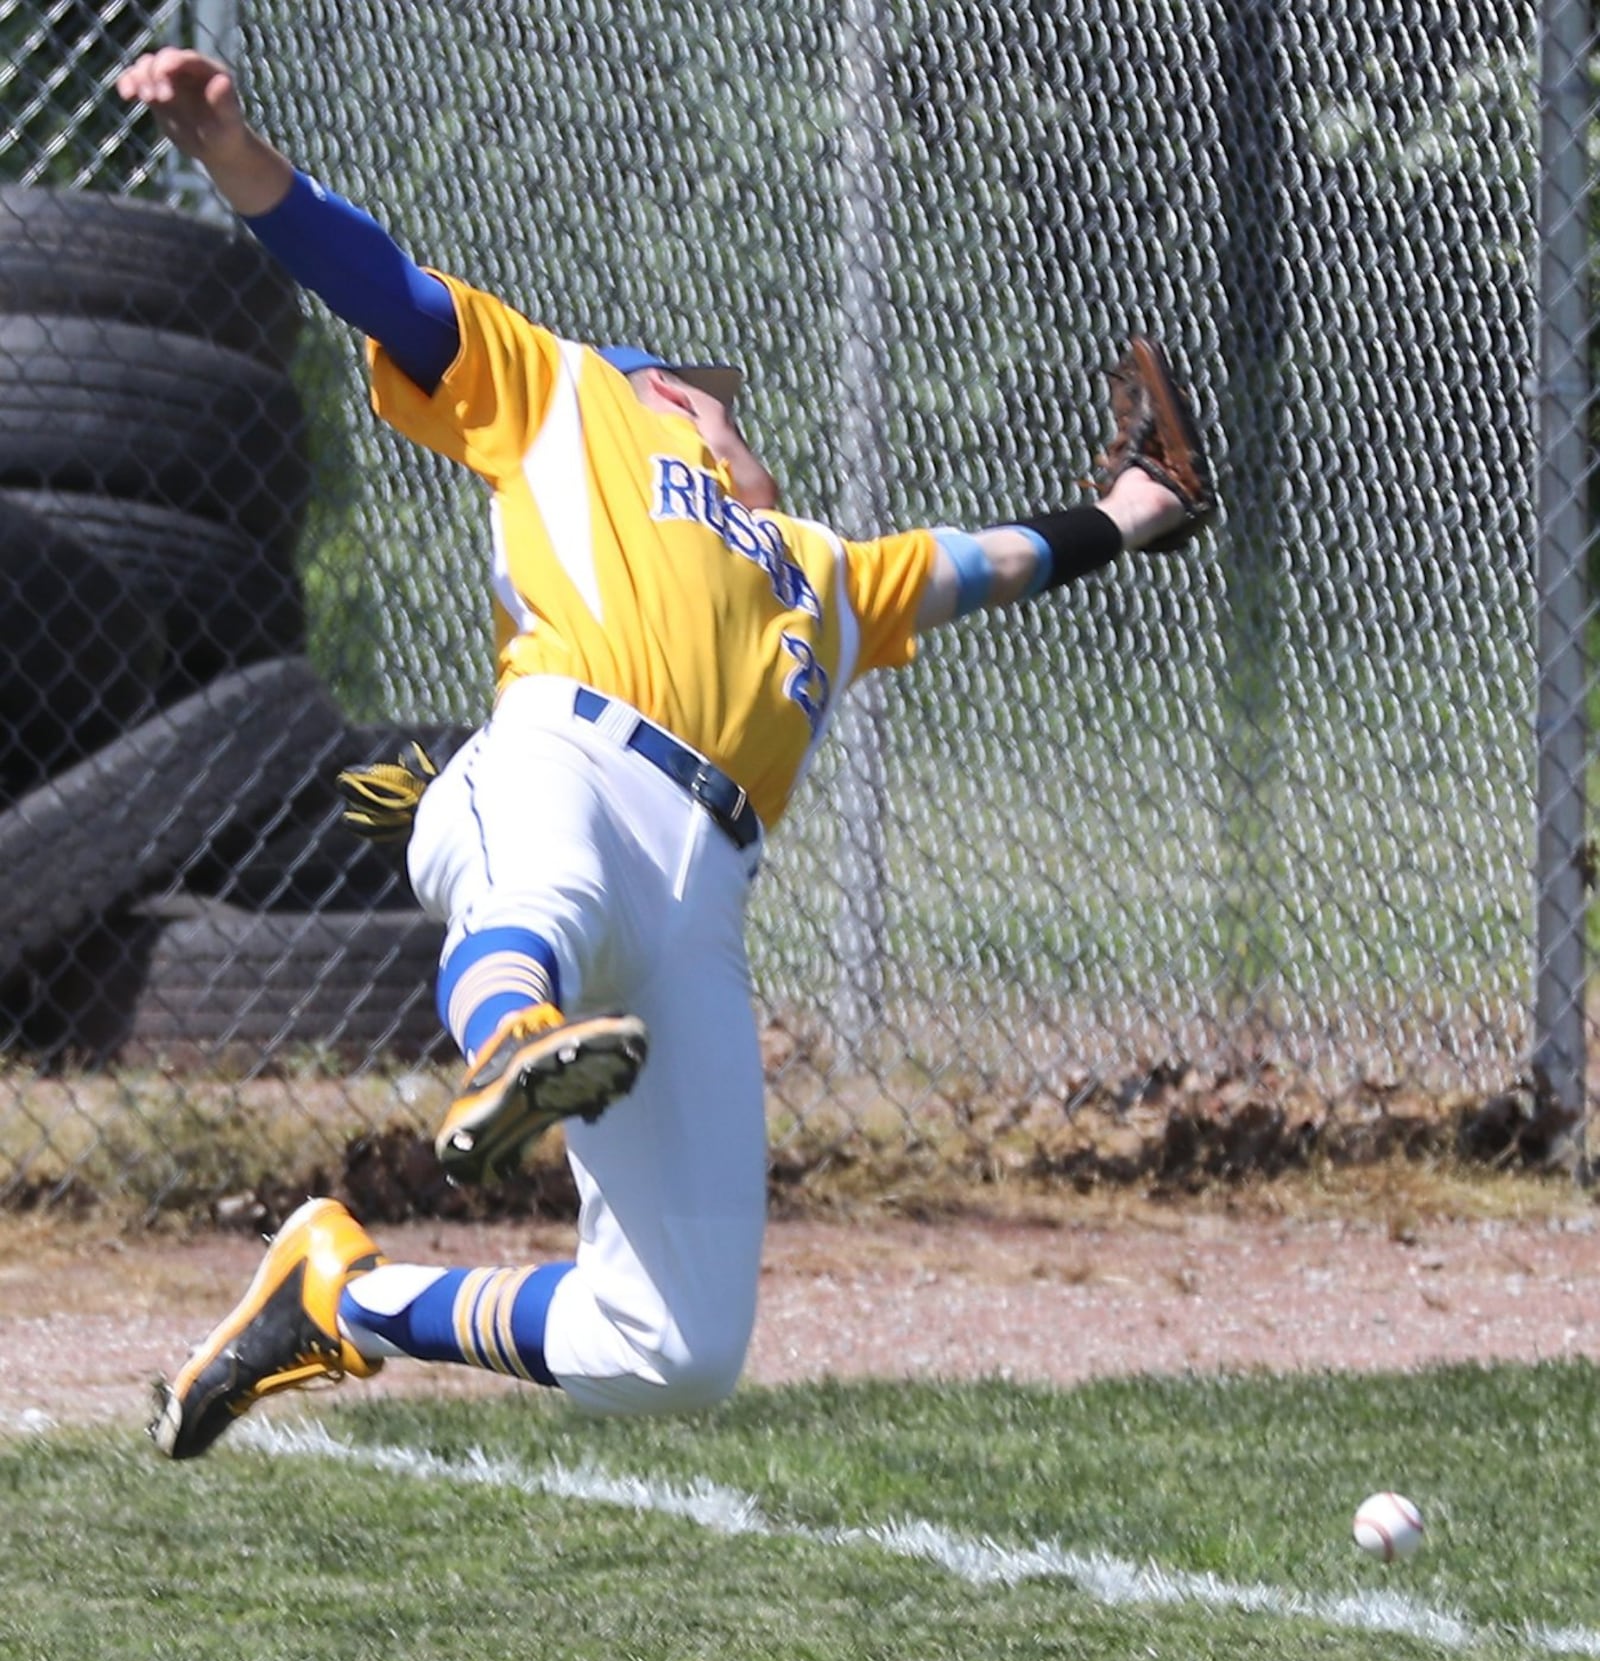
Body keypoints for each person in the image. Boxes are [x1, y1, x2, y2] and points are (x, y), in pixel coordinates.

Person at [118, 46, 1216, 1458]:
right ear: (664, 403)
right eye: (694, 390)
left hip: (695, 919)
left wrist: (1133, 511)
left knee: (679, 1345)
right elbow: (373, 276)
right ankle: (513, 1045)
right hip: (558, 763)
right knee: (547, 901)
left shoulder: (824, 568)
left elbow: (991, 560)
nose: (716, 401)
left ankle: (346, 1302)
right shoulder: (565, 396)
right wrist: (231, 154)